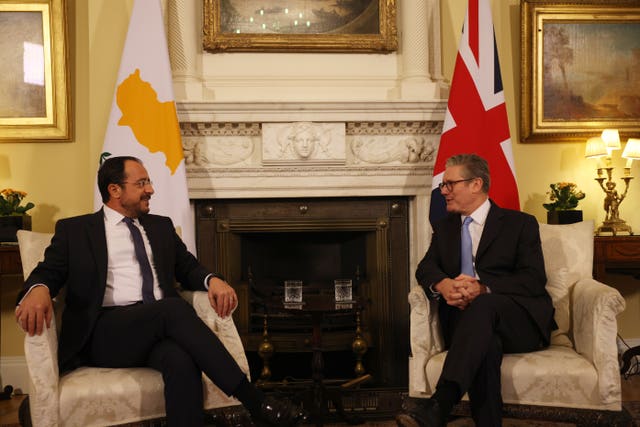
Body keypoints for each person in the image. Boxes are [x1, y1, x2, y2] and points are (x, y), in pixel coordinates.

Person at [15, 156, 306, 427]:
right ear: (114, 190)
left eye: (149, 182)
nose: (150, 189)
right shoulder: (76, 230)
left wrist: (212, 280)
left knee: (180, 360)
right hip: (106, 332)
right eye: (141, 183)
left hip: (157, 330)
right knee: (173, 308)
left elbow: (188, 268)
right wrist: (38, 288)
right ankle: (255, 402)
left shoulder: (160, 227)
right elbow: (48, 270)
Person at [396, 154, 556, 427]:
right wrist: (443, 285)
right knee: (487, 345)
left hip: (519, 322)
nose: (443, 191)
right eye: (443, 185)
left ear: (476, 184)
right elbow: (425, 268)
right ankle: (457, 415)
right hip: (467, 325)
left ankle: (441, 402)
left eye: (450, 184)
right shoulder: (445, 227)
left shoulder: (520, 224)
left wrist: (483, 288)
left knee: (484, 304)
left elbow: (533, 279)